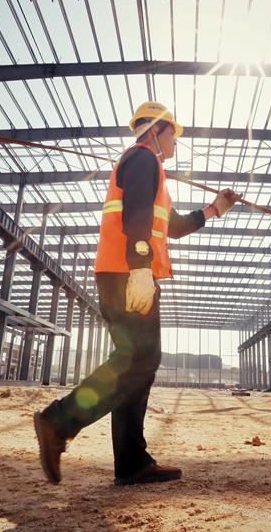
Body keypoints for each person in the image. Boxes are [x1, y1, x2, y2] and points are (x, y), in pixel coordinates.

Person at [34, 102, 241, 486]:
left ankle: (131, 462)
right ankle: (59, 421)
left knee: (138, 364)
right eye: (173, 134)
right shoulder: (143, 159)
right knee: (139, 359)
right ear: (156, 131)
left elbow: (172, 226)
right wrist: (141, 267)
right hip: (128, 272)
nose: (176, 142)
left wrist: (215, 209)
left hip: (125, 271)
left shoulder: (148, 167)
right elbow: (136, 215)